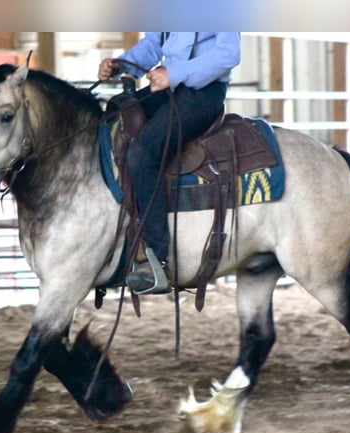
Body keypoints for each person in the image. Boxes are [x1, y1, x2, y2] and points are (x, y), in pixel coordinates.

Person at [98, 32, 242, 293]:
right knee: (113, 118)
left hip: (203, 93)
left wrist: (174, 73)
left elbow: (229, 54)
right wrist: (122, 64)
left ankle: (156, 258)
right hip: (169, 88)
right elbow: (154, 44)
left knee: (142, 154)